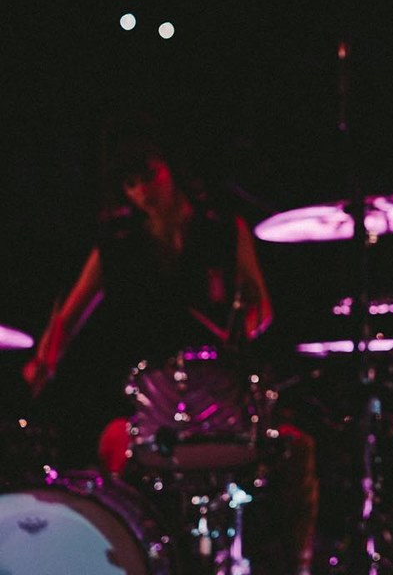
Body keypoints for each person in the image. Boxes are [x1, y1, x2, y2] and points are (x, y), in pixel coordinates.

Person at [22, 136, 317, 575]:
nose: (142, 191)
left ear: (172, 170)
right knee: (112, 446)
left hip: (224, 399)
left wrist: (240, 328)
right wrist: (44, 360)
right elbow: (67, 317)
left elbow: (261, 308)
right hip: (149, 409)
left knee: (297, 450)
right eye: (130, 184)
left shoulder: (223, 228)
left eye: (150, 175)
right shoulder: (118, 245)